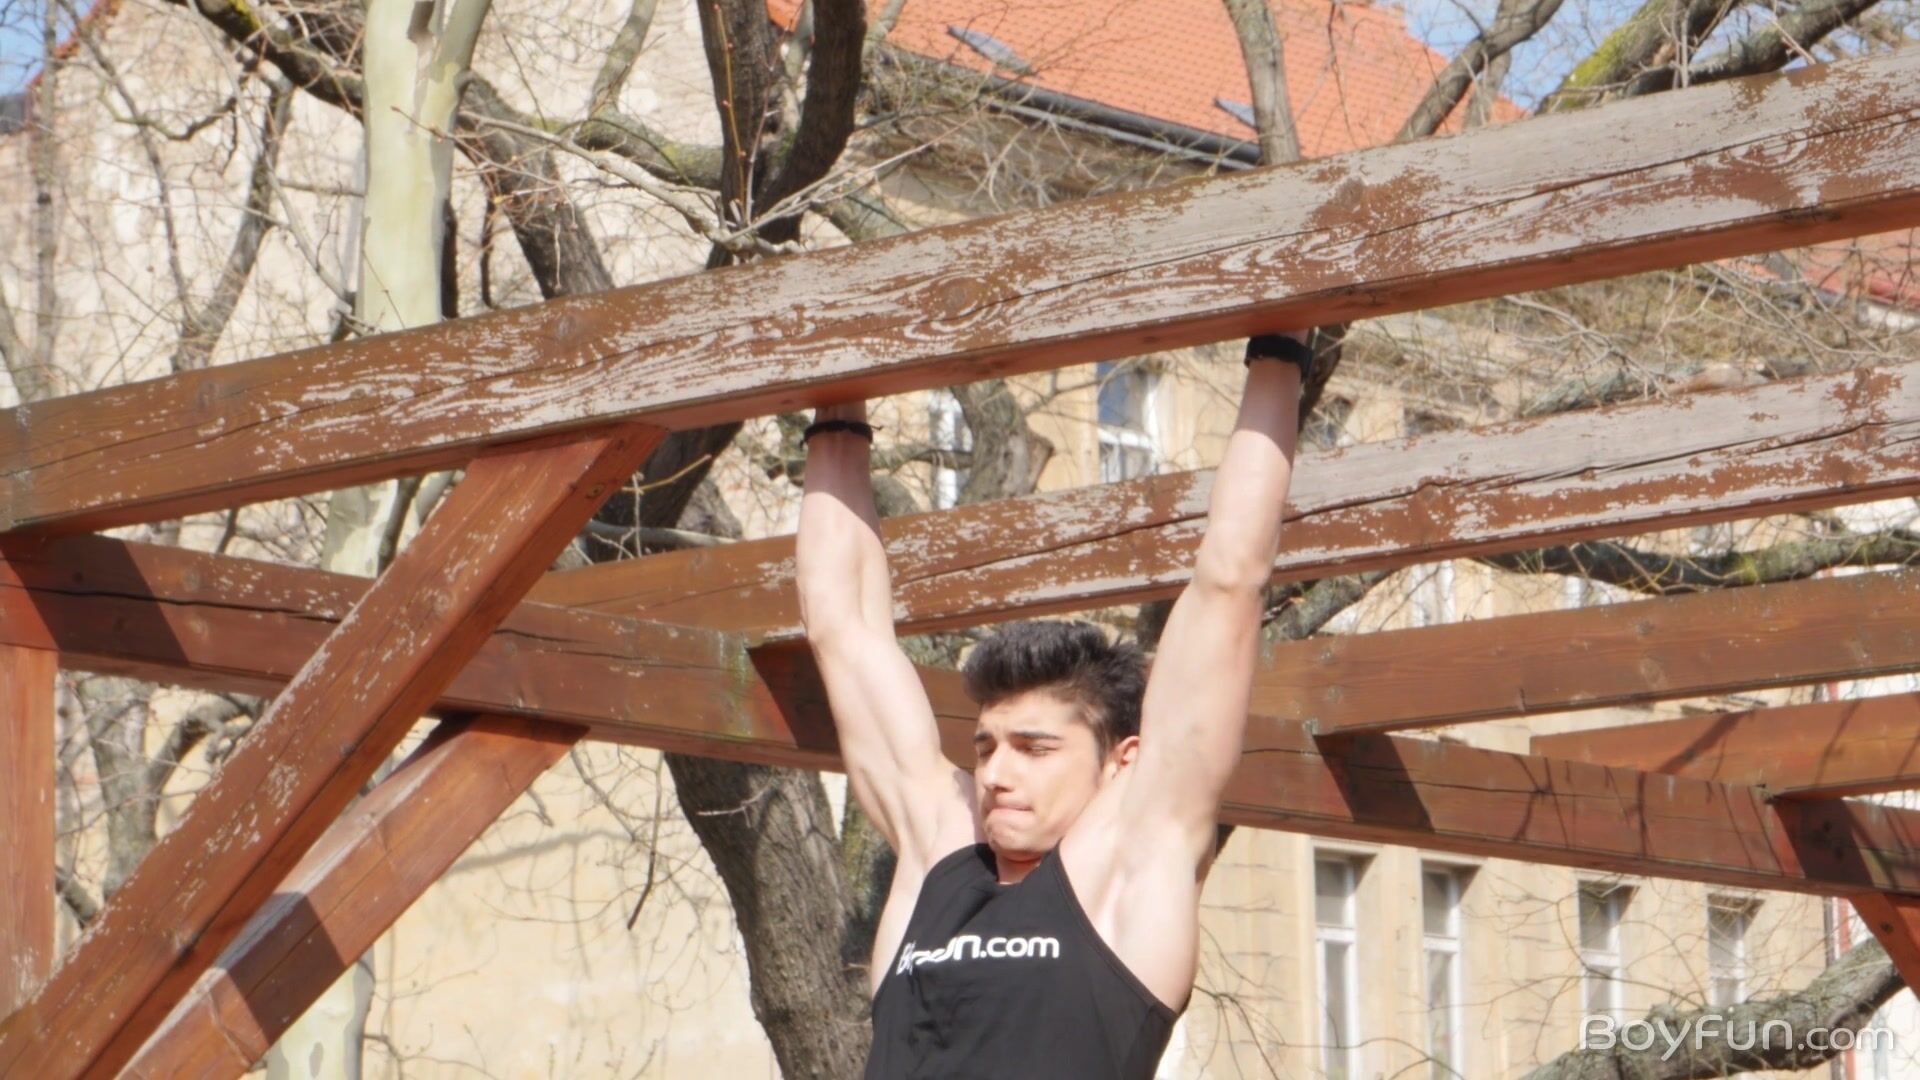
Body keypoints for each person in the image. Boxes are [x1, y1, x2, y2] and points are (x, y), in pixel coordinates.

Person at [794, 331, 1310, 1078]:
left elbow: (1230, 580)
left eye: (1035, 748)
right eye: (986, 746)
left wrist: (1282, 348)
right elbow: (841, 625)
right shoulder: (939, 853)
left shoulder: (1129, 866)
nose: (996, 773)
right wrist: (837, 394)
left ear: (1122, 762)